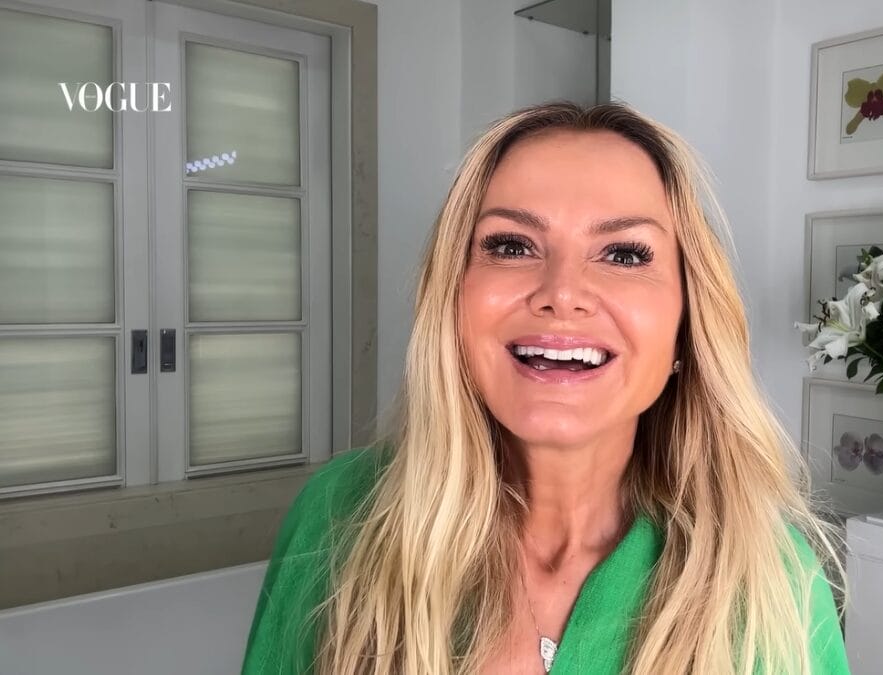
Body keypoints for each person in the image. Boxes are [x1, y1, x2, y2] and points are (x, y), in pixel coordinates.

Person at [241, 102, 850, 674]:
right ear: (452, 299)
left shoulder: (775, 578)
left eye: (624, 254)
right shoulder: (336, 514)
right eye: (512, 246)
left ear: (686, 324)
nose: (562, 291)